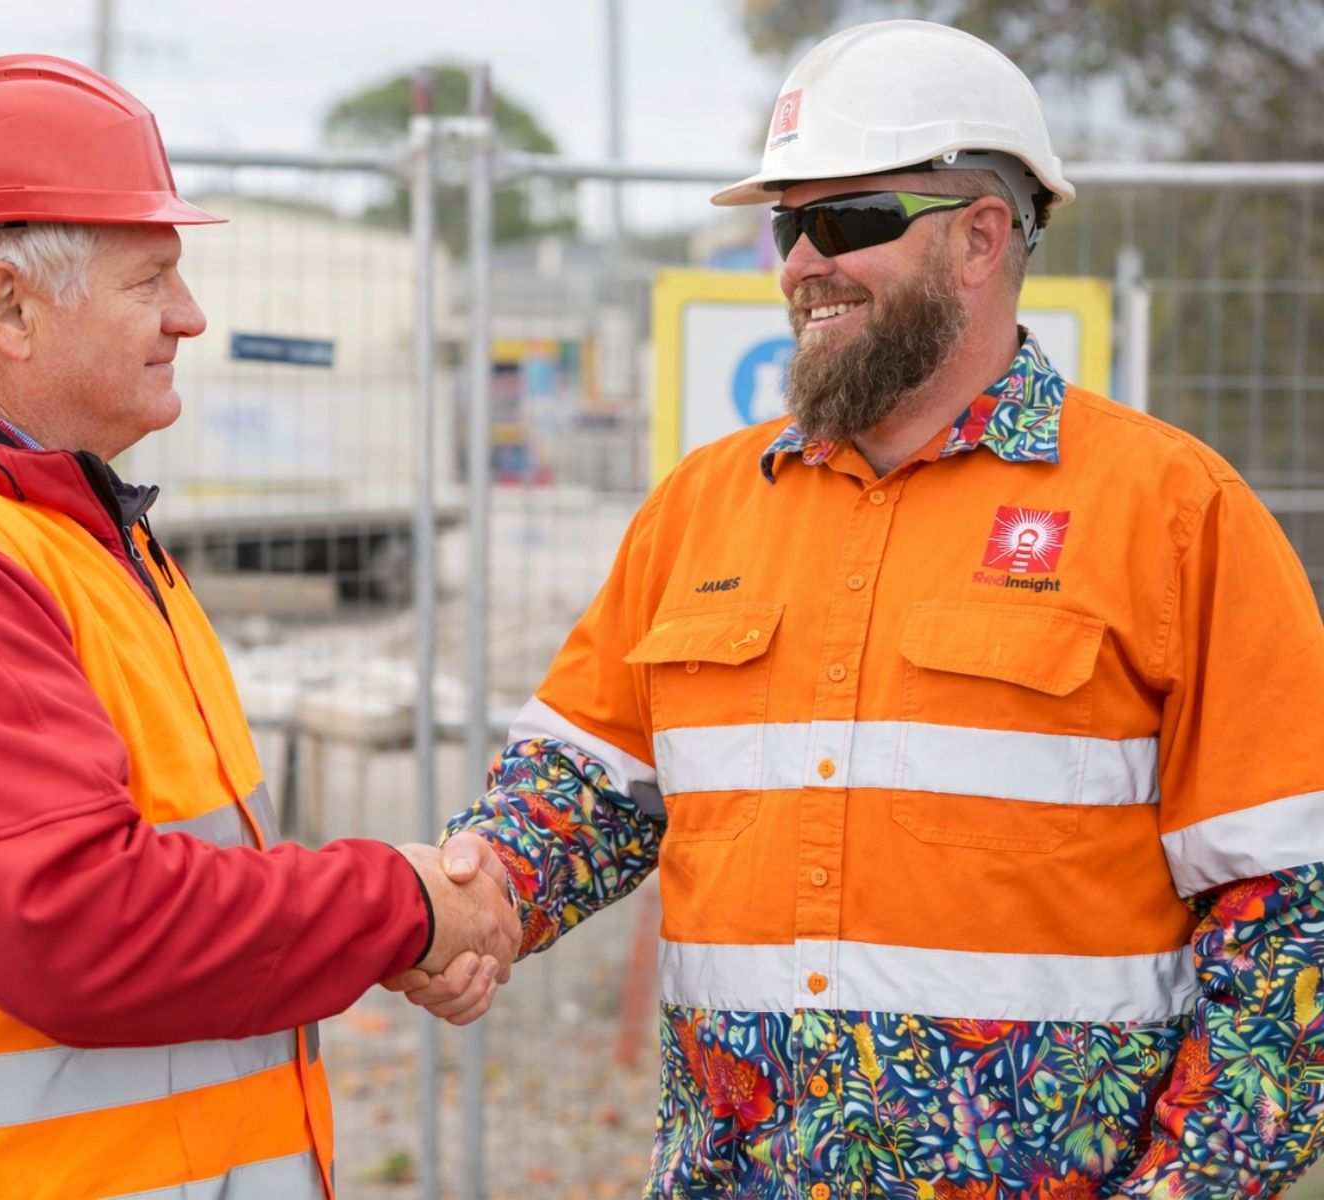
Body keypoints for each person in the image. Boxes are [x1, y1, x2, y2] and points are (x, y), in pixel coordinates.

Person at [395, 19, 1324, 1198]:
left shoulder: (1174, 511)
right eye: (788, 225)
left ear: (982, 237)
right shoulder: (699, 507)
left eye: (847, 221)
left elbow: (1293, 916)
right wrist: (474, 906)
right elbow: (582, 791)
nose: (799, 265)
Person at [0, 55, 518, 1199]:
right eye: (150, 278)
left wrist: (384, 934)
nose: (190, 317)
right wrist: (397, 905)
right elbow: (77, 924)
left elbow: (187, 878)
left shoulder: (70, 526)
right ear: (8, 306)